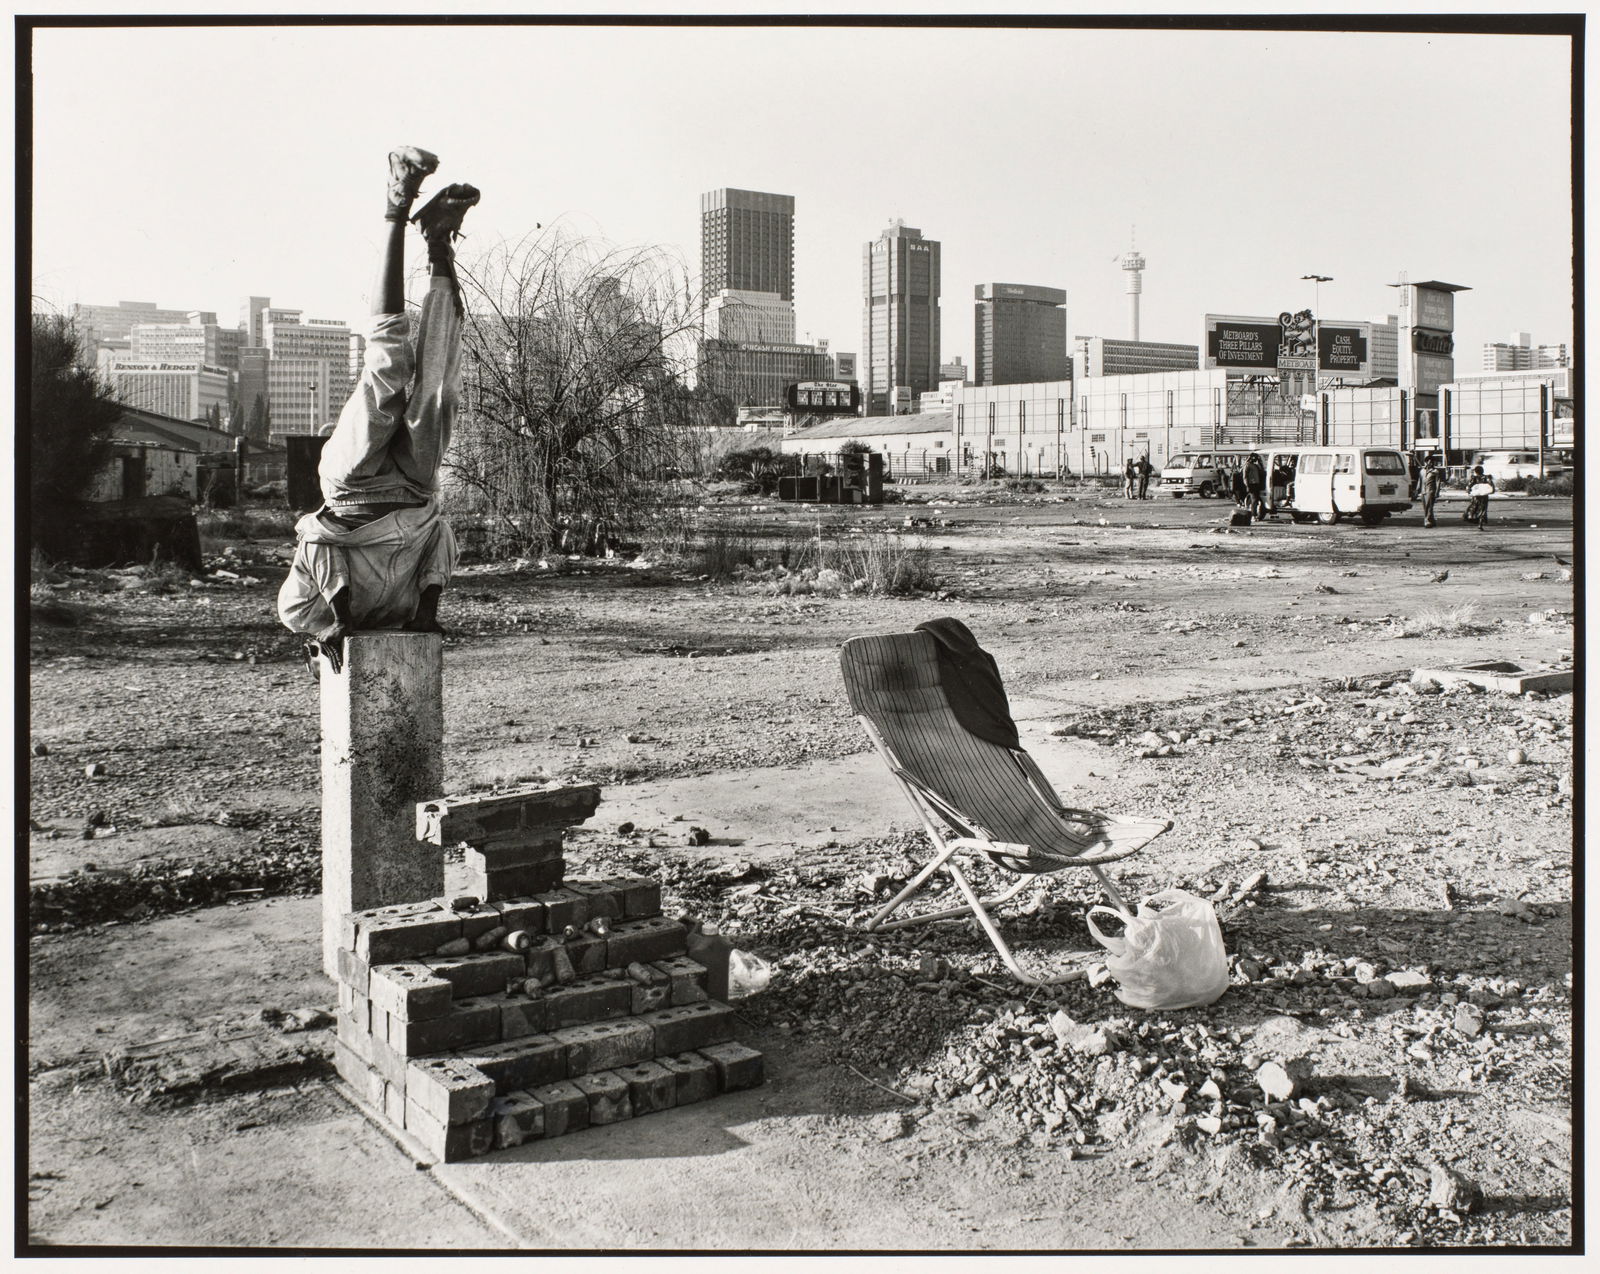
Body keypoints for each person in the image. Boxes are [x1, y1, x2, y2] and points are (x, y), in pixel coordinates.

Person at [277, 146, 480, 673]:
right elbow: (440, 543)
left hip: (350, 487)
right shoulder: (406, 609)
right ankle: (438, 241)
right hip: (413, 491)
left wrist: (338, 622)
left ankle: (397, 199)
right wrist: (427, 617)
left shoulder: (301, 612)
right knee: (438, 385)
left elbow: (316, 542)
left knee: (388, 364)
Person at [1463, 464, 1495, 529]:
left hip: (1476, 497)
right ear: (1482, 471)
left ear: (1475, 471)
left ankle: (1471, 517)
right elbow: (1491, 486)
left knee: (1474, 508)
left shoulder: (1474, 478)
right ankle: (1480, 523)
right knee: (1483, 509)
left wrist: (1469, 492)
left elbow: (1469, 486)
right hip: (1484, 496)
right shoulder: (1487, 477)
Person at [1419, 453, 1445, 528]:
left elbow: (1438, 482)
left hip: (1430, 490)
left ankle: (1427, 521)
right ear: (1426, 462)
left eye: (1432, 462)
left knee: (1429, 506)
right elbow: (1419, 481)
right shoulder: (1422, 471)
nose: (1430, 463)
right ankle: (1432, 521)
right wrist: (1416, 491)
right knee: (1425, 507)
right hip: (1423, 491)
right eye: (1429, 462)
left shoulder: (1435, 471)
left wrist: (1437, 492)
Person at [1243, 452, 1267, 520]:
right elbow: (1245, 477)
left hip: (1257, 484)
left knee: (1258, 500)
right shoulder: (1247, 465)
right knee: (1254, 499)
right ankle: (1253, 515)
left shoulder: (1256, 465)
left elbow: (1262, 471)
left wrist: (1260, 463)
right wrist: (1247, 485)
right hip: (1251, 484)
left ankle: (1256, 514)